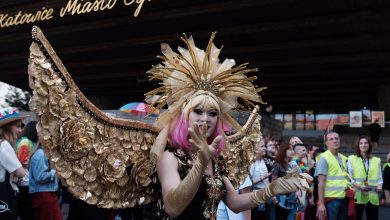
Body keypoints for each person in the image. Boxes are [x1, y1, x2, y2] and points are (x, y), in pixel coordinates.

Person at [315, 131, 350, 220]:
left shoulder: (343, 158)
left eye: (336, 138)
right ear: (327, 143)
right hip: (330, 200)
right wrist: (321, 204)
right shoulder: (324, 158)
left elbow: (345, 178)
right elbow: (321, 183)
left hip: (343, 198)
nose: (335, 141)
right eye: (331, 139)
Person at [0, 107, 26, 220]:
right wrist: (16, 174)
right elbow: (21, 173)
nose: (21, 130)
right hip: (5, 196)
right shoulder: (4, 145)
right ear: (6, 128)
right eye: (17, 126)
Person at [347, 135, 382, 220]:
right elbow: (349, 177)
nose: (363, 145)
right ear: (358, 146)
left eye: (366, 143)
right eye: (361, 143)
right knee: (356, 217)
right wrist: (358, 186)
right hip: (357, 195)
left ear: (369, 145)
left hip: (372, 195)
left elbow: (379, 177)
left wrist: (380, 185)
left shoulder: (376, 160)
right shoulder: (351, 159)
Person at [29, 140, 62, 220]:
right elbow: (39, 177)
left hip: (47, 193)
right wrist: (56, 172)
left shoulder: (44, 153)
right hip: (43, 195)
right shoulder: (40, 154)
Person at [15, 121, 38, 220]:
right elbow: (23, 162)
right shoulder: (25, 142)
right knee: (27, 212)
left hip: (28, 181)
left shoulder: (29, 142)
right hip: (25, 182)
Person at [272, 143, 301, 220]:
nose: (292, 151)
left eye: (292, 149)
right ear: (283, 151)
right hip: (280, 198)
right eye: (290, 149)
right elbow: (273, 182)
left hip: (291, 197)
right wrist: (274, 197)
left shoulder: (292, 164)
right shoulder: (277, 165)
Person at [247, 139, 272, 220]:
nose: (265, 148)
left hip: (266, 195)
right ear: (255, 149)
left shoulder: (264, 161)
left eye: (265, 146)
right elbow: (249, 183)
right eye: (262, 146)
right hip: (257, 197)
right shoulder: (252, 163)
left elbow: (267, 181)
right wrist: (262, 178)